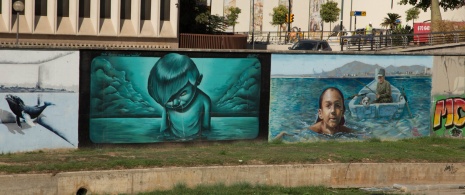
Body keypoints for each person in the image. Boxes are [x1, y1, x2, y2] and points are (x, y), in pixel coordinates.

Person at [147, 53, 211, 139]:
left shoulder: (203, 100)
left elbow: (206, 127)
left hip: (196, 139)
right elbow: (164, 127)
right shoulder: (167, 106)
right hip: (173, 139)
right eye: (169, 99)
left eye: (183, 93)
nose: (175, 103)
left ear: (197, 81)